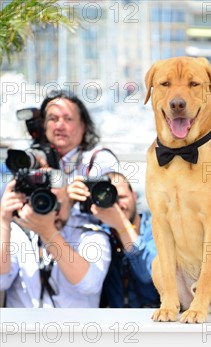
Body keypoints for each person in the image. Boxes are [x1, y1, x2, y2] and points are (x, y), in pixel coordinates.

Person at [0, 178, 111, 308]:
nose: (52, 214)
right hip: (22, 328)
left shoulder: (90, 234)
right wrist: (3, 221)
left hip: (72, 328)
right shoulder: (16, 232)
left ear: (69, 202)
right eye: (43, 203)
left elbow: (89, 283)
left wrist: (48, 233)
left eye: (56, 206)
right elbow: (1, 281)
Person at [67, 172, 160, 308]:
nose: (117, 206)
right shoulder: (97, 235)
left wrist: (122, 226)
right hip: (115, 324)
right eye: (110, 198)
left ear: (134, 196)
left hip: (157, 321)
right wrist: (66, 203)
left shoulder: (156, 226)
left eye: (121, 197)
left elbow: (150, 275)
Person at [39, 89, 118, 180]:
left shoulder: (100, 160)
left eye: (68, 119)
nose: (59, 126)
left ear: (83, 125)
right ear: (43, 125)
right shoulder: (34, 159)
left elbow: (122, 192)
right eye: (53, 119)